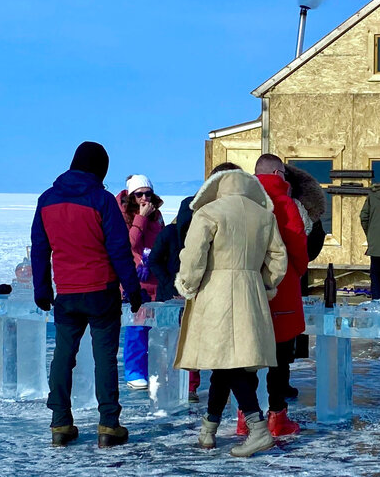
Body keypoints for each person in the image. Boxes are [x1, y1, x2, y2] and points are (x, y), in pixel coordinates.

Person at [30, 142, 143, 448]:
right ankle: (108, 425)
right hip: (101, 291)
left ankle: (60, 423)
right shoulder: (101, 200)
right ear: (100, 169)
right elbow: (119, 250)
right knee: (104, 358)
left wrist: (42, 289)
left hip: (66, 293)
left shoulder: (47, 200)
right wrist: (132, 289)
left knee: (63, 357)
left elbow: (40, 248)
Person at [174, 167, 288, 457]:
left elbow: (194, 255)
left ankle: (258, 428)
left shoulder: (209, 212)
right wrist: (264, 283)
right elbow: (278, 258)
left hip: (216, 292)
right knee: (225, 362)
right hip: (250, 292)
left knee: (228, 362)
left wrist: (187, 284)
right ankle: (209, 428)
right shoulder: (264, 216)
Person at [254, 153, 311, 438]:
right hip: (283, 288)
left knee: (247, 356)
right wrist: (296, 271)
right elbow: (298, 244)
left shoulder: (246, 200)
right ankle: (277, 417)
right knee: (279, 358)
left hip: (248, 287)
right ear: (278, 174)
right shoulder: (285, 203)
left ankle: (246, 417)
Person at [149, 189, 201, 400]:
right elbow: (154, 261)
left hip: (191, 298)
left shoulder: (200, 238)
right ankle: (166, 381)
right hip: (168, 299)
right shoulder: (168, 234)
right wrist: (172, 287)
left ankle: (190, 386)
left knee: (191, 342)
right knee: (167, 342)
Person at [117, 174, 165, 390]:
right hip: (135, 280)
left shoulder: (157, 216)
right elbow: (129, 244)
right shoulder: (123, 216)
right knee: (136, 329)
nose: (144, 198)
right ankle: (134, 371)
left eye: (148, 193)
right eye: (139, 194)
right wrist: (141, 219)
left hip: (155, 278)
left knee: (156, 330)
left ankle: (155, 370)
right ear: (131, 196)